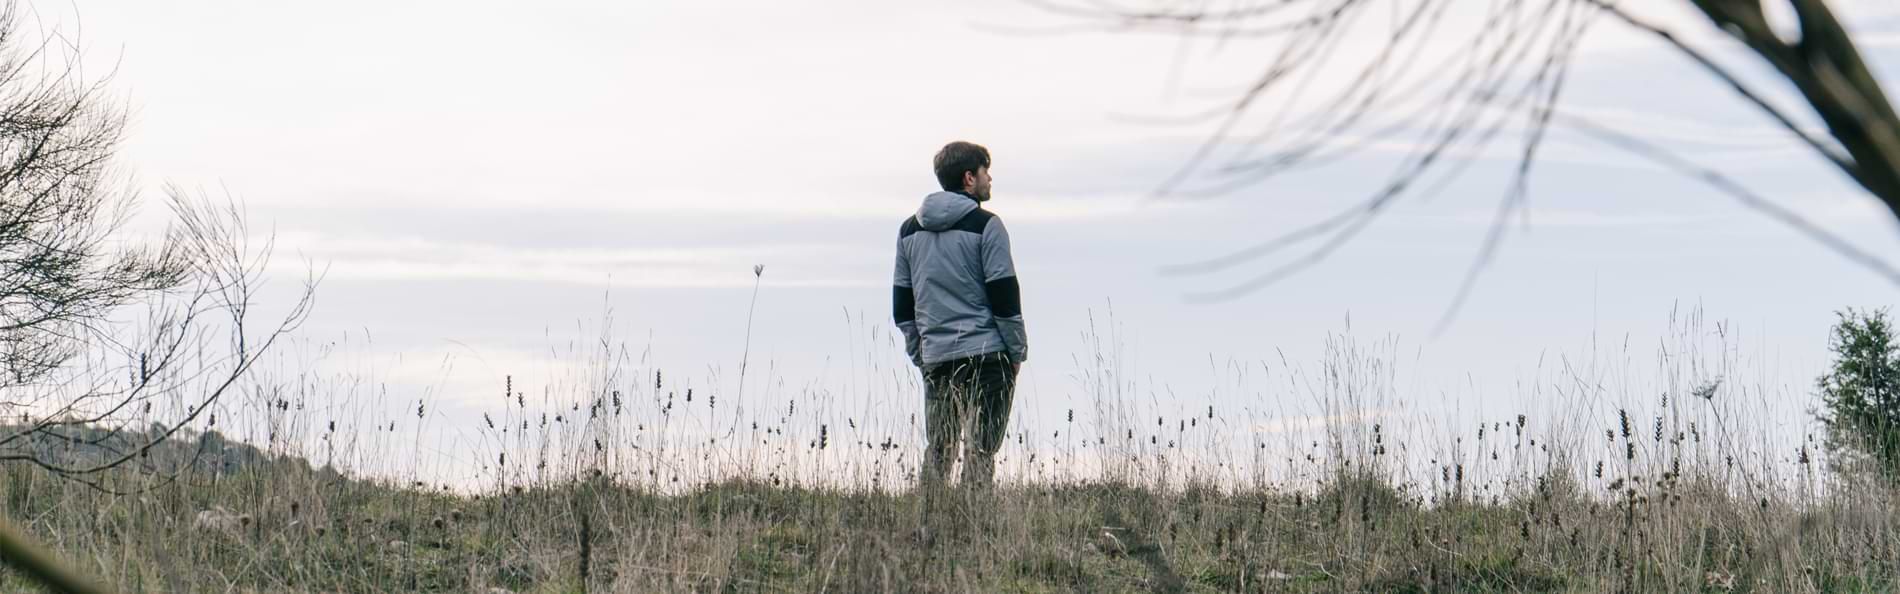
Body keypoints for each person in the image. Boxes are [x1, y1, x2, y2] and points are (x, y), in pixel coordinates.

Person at [892, 140, 1028, 490]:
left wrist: (921, 353)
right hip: (987, 357)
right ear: (969, 178)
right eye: (985, 171)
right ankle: (975, 529)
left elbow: (902, 305)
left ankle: (931, 525)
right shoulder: (988, 226)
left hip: (937, 357)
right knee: (982, 451)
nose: (990, 178)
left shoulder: (909, 231)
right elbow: (1005, 297)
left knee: (939, 450)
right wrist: (1016, 353)